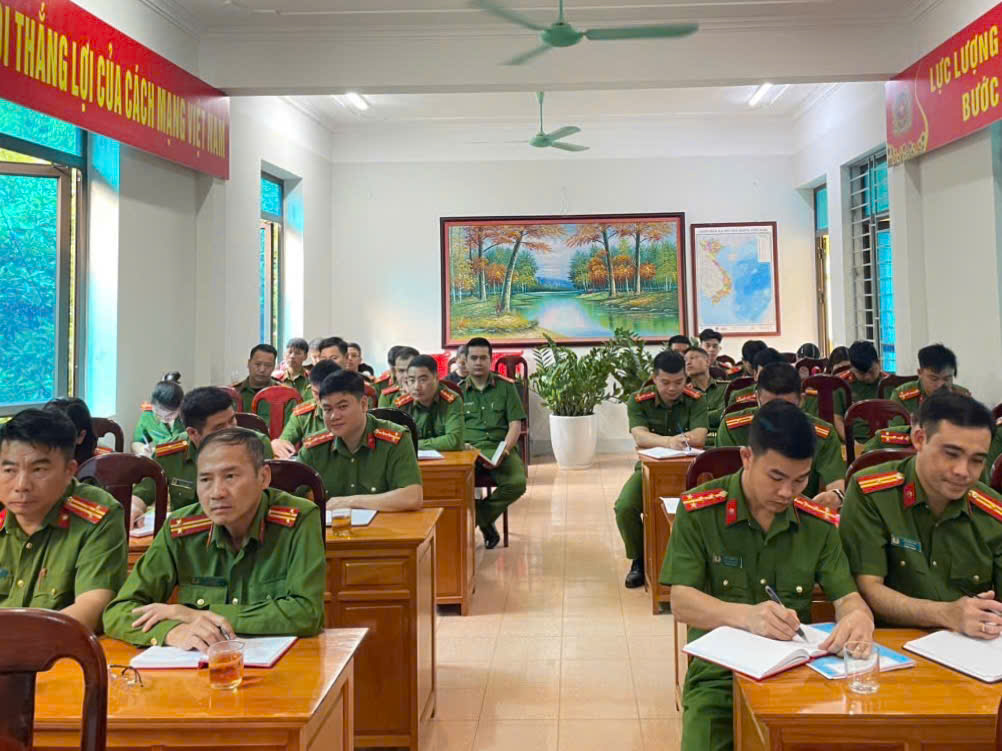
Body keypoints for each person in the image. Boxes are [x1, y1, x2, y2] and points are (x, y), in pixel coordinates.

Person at [663, 402, 873, 751]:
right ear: (747, 457)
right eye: (776, 477)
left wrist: (858, 617)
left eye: (800, 479)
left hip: (796, 675)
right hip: (720, 677)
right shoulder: (700, 510)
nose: (787, 492)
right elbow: (681, 601)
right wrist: (748, 616)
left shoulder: (816, 525)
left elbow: (847, 597)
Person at [103, 428, 325, 649]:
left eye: (230, 477)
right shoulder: (180, 529)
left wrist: (195, 614)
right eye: (205, 479)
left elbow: (307, 613)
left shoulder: (298, 519)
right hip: (201, 662)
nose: (217, 493)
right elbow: (119, 612)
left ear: (263, 477)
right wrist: (171, 631)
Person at [839, 391, 1002, 637]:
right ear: (919, 439)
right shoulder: (872, 494)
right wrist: (947, 614)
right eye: (951, 454)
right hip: (893, 642)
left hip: (974, 644)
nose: (963, 471)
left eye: (977, 460)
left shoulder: (993, 512)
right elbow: (868, 588)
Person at [0, 409, 127, 631]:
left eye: (38, 470)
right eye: (9, 470)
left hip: (59, 649)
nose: (21, 485)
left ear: (69, 471)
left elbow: (93, 607)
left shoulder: (97, 516)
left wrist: (16, 641)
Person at [616, 350, 708, 588]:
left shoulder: (696, 399)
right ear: (654, 378)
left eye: (678, 382)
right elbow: (640, 435)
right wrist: (669, 442)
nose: (672, 388)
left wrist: (664, 440)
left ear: (686, 378)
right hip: (649, 469)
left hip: (689, 470)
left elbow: (699, 435)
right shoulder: (638, 400)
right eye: (665, 382)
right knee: (625, 507)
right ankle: (639, 559)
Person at [132, 387, 273, 524]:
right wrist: (135, 508)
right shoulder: (170, 453)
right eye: (219, 428)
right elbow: (144, 491)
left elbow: (269, 500)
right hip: (188, 532)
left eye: (232, 421)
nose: (231, 432)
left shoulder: (256, 445)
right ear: (193, 433)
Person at [716, 363, 846, 505]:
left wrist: (835, 496)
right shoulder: (733, 428)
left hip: (800, 510)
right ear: (757, 398)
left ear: (801, 401)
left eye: (787, 407)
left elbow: (836, 484)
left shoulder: (823, 434)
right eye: (769, 407)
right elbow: (728, 486)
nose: (778, 416)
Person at [298, 370, 423, 512]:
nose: (334, 416)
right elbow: (290, 494)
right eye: (327, 409)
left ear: (364, 404)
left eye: (342, 407)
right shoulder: (314, 448)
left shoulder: (395, 439)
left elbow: (412, 497)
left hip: (385, 525)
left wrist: (350, 502)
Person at [461, 337, 527, 549]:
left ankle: (477, 517)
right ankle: (485, 521)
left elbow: (515, 425)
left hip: (501, 448)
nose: (478, 362)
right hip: (469, 451)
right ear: (466, 361)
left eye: (483, 358)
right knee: (451, 485)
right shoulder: (456, 392)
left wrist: (504, 452)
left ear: (490, 360)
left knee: (517, 483)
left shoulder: (506, 387)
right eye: (473, 358)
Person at [393, 354, 464, 451]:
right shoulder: (401, 405)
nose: (416, 387)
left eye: (423, 380)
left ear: (437, 378)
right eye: (412, 380)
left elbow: (454, 441)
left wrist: (413, 444)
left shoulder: (451, 400)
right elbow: (393, 440)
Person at [271, 359, 340, 459]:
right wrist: (277, 444)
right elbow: (284, 442)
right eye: (316, 393)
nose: (321, 400)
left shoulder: (352, 412)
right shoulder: (303, 414)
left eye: (327, 394)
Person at [890, 343, 970, 415]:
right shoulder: (902, 396)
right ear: (920, 373)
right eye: (934, 379)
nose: (940, 385)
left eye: (947, 379)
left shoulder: (962, 396)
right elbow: (896, 426)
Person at [831, 340, 887, 444]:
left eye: (871, 371)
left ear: (879, 363)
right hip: (855, 442)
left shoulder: (889, 383)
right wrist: (852, 442)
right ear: (852, 368)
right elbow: (837, 418)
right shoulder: (841, 385)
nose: (867, 377)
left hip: (886, 442)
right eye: (861, 373)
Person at [232, 344, 286, 425]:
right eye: (257, 364)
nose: (262, 369)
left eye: (268, 365)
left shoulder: (284, 394)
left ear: (274, 367)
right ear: (249, 363)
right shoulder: (233, 394)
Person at [132, 374, 185, 455]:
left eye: (170, 415)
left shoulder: (190, 417)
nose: (163, 419)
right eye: (158, 415)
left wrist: (159, 450)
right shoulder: (148, 414)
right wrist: (142, 449)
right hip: (158, 460)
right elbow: (136, 442)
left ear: (180, 407)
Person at [44, 398, 106, 464]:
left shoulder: (101, 464)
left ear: (81, 436)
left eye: (58, 436)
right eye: (44, 433)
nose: (48, 441)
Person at [684, 347, 725, 443]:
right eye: (685, 360)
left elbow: (724, 414)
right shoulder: (684, 394)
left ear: (707, 361)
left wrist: (696, 418)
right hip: (694, 442)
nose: (688, 362)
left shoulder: (726, 388)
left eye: (693, 358)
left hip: (722, 441)